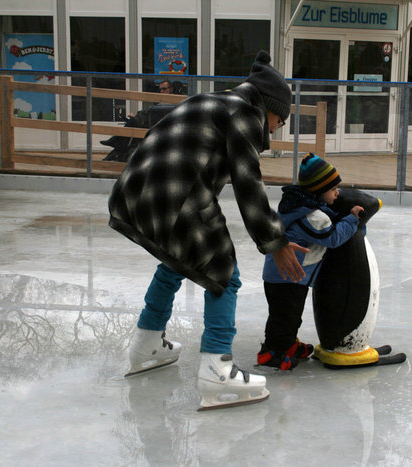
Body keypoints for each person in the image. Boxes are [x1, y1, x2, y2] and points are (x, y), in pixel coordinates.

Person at [108, 50, 309, 410]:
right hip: (176, 194)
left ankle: (145, 345)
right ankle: (218, 369)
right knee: (223, 273)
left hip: (134, 190)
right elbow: (249, 185)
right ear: (269, 106)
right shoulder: (245, 114)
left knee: (176, 259)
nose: (279, 127)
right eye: (281, 117)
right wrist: (276, 241)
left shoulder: (212, 101)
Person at [257, 153, 364, 371]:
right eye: (333, 189)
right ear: (319, 190)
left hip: (285, 275)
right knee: (284, 317)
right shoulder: (313, 217)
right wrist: (352, 218)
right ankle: (271, 353)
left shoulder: (300, 205)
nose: (338, 192)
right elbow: (332, 238)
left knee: (290, 315)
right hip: (288, 276)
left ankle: (288, 345)